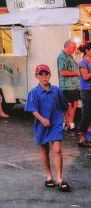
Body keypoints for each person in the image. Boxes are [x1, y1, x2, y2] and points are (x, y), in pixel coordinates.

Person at [25, 64, 71, 192]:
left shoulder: (56, 90)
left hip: (56, 123)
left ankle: (60, 178)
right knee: (44, 150)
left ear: (50, 75)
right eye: (41, 75)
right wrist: (42, 119)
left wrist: (67, 121)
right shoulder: (34, 92)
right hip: (42, 124)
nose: (44, 77)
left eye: (46, 74)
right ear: (37, 76)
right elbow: (32, 109)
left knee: (57, 149)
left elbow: (64, 106)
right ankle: (49, 176)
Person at [57, 39, 80, 133]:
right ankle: (67, 125)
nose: (75, 49)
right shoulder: (62, 57)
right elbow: (62, 72)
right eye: (73, 47)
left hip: (73, 86)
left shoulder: (69, 56)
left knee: (74, 104)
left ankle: (70, 124)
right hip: (67, 86)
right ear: (67, 46)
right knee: (69, 106)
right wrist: (76, 73)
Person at [76, 42, 91, 147]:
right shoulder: (83, 62)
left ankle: (88, 135)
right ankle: (82, 137)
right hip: (86, 91)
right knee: (87, 113)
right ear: (87, 50)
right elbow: (85, 76)